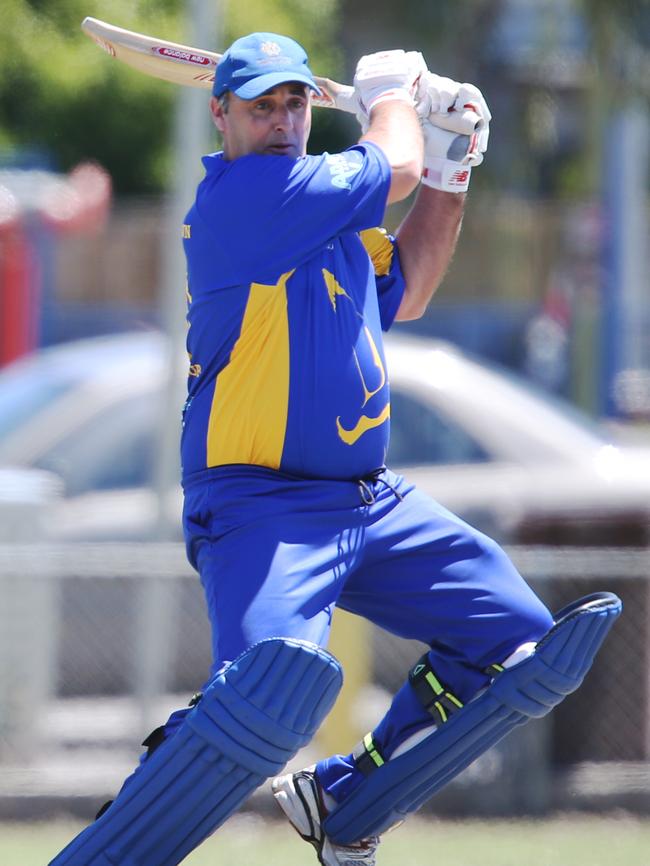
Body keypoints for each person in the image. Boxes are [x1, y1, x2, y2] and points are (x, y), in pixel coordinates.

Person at [50, 32, 620, 866]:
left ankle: (348, 797)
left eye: (294, 103)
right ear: (222, 117)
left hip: (371, 500)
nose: (282, 120)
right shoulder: (245, 199)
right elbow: (386, 166)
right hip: (260, 505)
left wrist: (452, 163)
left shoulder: (329, 215)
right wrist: (396, 99)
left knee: (517, 648)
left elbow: (413, 286)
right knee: (261, 699)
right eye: (260, 106)